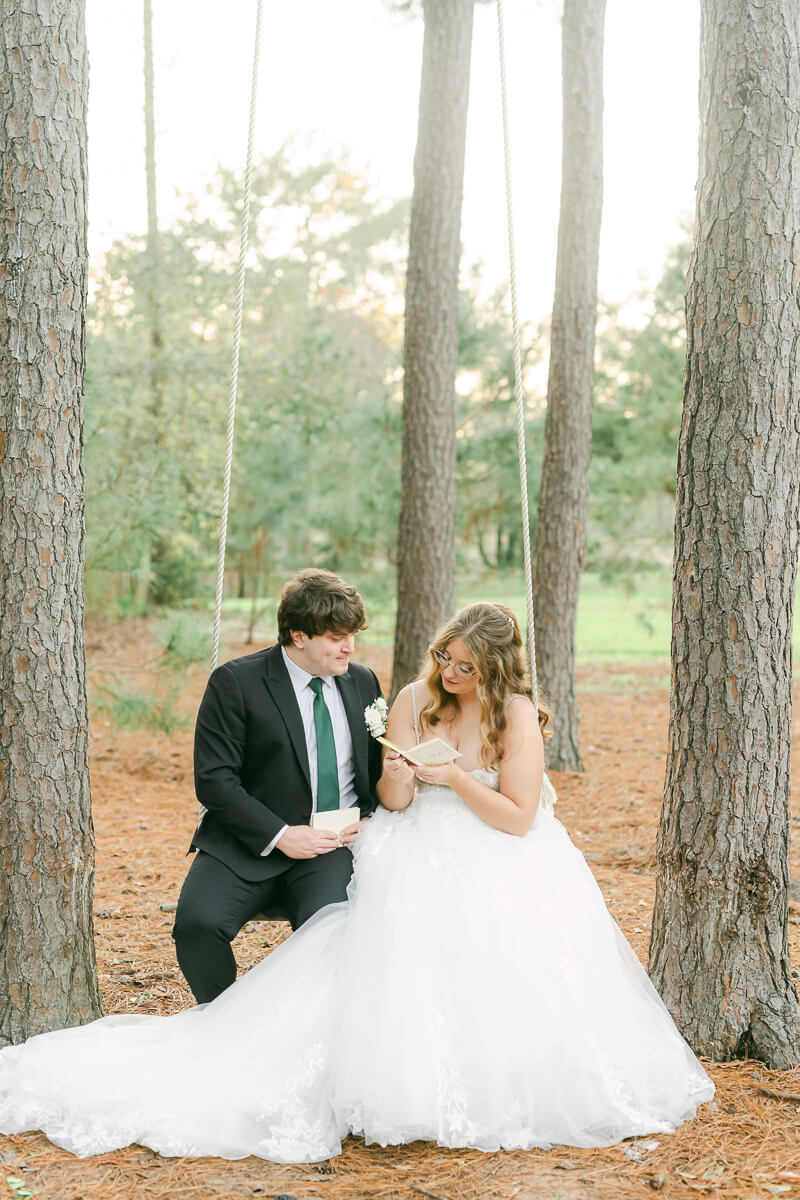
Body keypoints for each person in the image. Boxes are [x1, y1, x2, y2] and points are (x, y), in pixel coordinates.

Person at [0, 603, 714, 1162]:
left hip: (497, 848)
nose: (447, 673)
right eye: (443, 657)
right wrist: (401, 777)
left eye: (463, 666)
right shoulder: (411, 696)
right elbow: (394, 801)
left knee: (499, 948)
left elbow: (519, 818)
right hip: (415, 843)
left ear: (494, 668)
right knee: (389, 941)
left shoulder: (515, 713)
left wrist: (456, 776)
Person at [174, 567, 384, 1001]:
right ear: (298, 635)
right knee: (197, 926)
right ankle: (222, 1020)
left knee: (333, 930)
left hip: (330, 847)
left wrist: (374, 817)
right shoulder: (236, 683)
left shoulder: (362, 681)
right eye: (336, 636)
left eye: (353, 635)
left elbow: (377, 767)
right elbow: (214, 780)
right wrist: (281, 835)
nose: (349, 646)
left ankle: (305, 1035)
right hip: (246, 842)